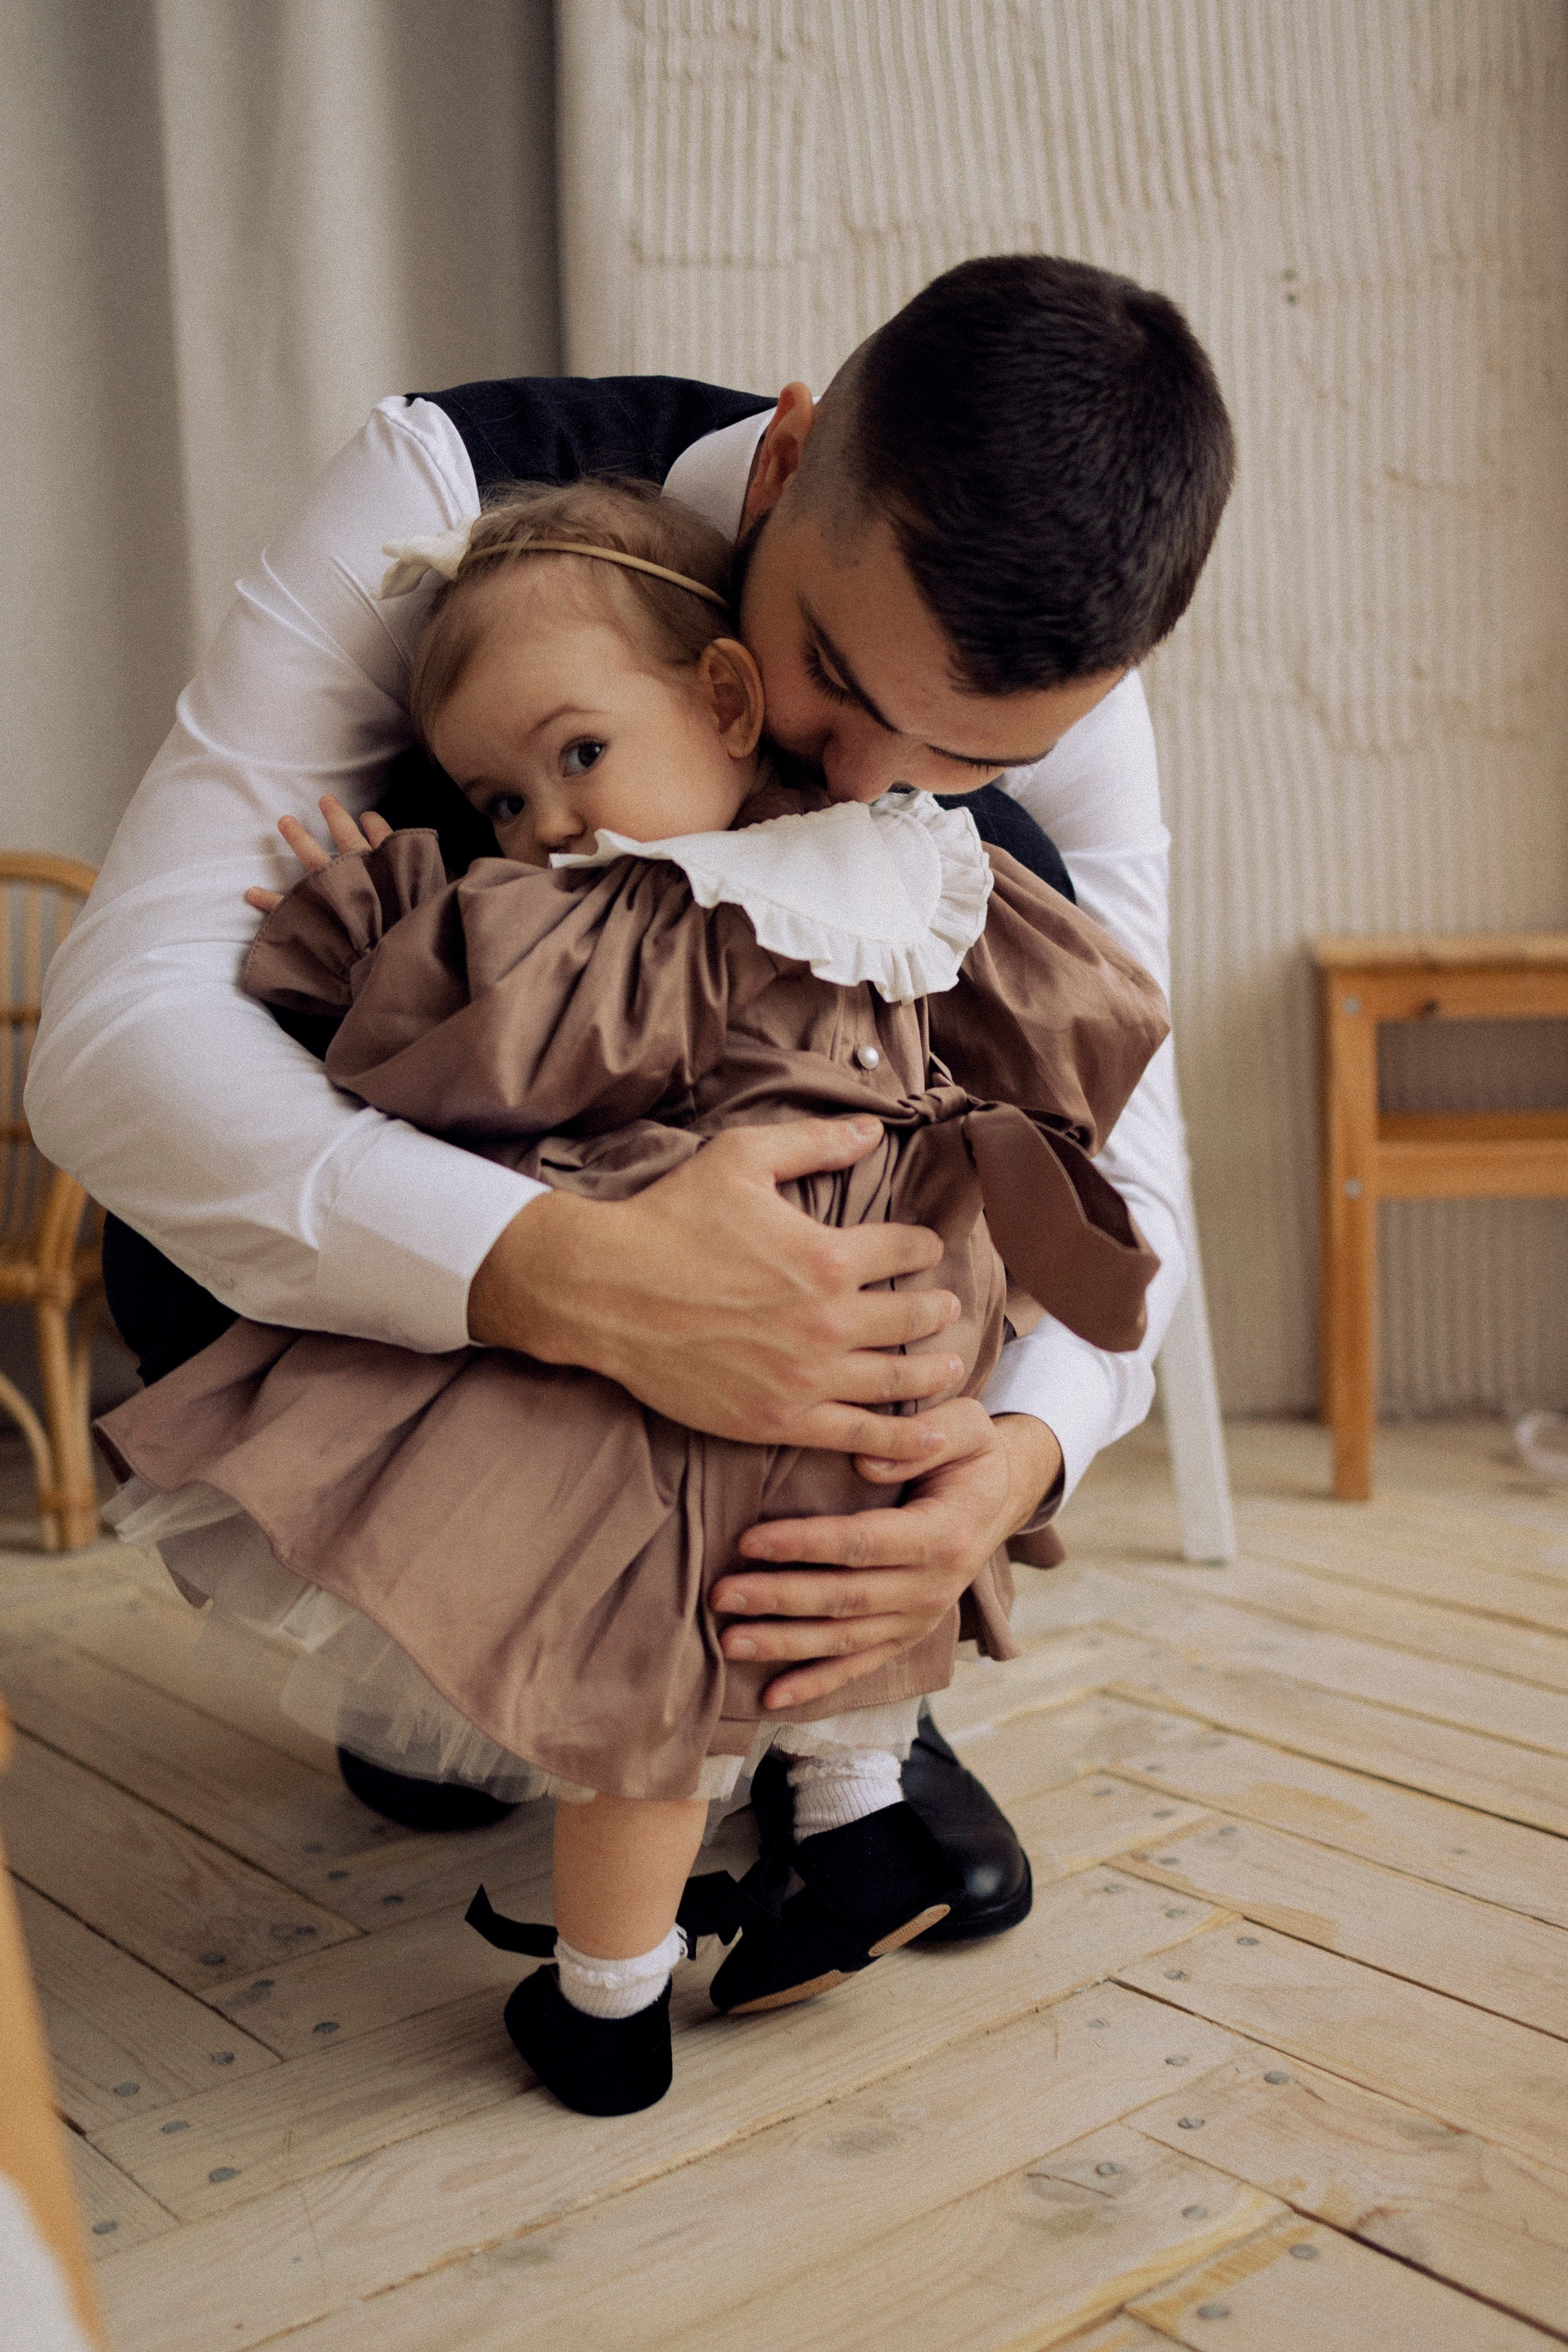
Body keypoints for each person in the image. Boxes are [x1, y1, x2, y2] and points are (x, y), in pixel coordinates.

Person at [26, 254, 1235, 1936]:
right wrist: (567, 1272)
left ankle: (835, 1689)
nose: (869, 772)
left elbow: (1135, 1146)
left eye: (963, 751)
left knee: (1008, 907)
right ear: (795, 452)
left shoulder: (1038, 695)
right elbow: (116, 1032)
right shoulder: (436, 486)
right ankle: (466, 1595)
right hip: (481, 1228)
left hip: (839, 1330)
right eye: (834, 674)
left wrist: (1019, 1460)